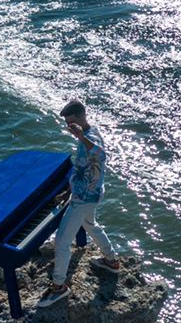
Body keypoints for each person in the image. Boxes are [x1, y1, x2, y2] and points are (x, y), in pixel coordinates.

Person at [38, 99, 124, 307]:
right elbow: (82, 169)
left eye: (73, 122)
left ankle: (59, 287)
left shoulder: (90, 136)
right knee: (90, 225)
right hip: (87, 194)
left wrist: (80, 136)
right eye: (68, 124)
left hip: (85, 199)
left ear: (82, 116)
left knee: (62, 241)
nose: (70, 127)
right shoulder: (87, 134)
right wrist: (68, 190)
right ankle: (112, 260)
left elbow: (101, 156)